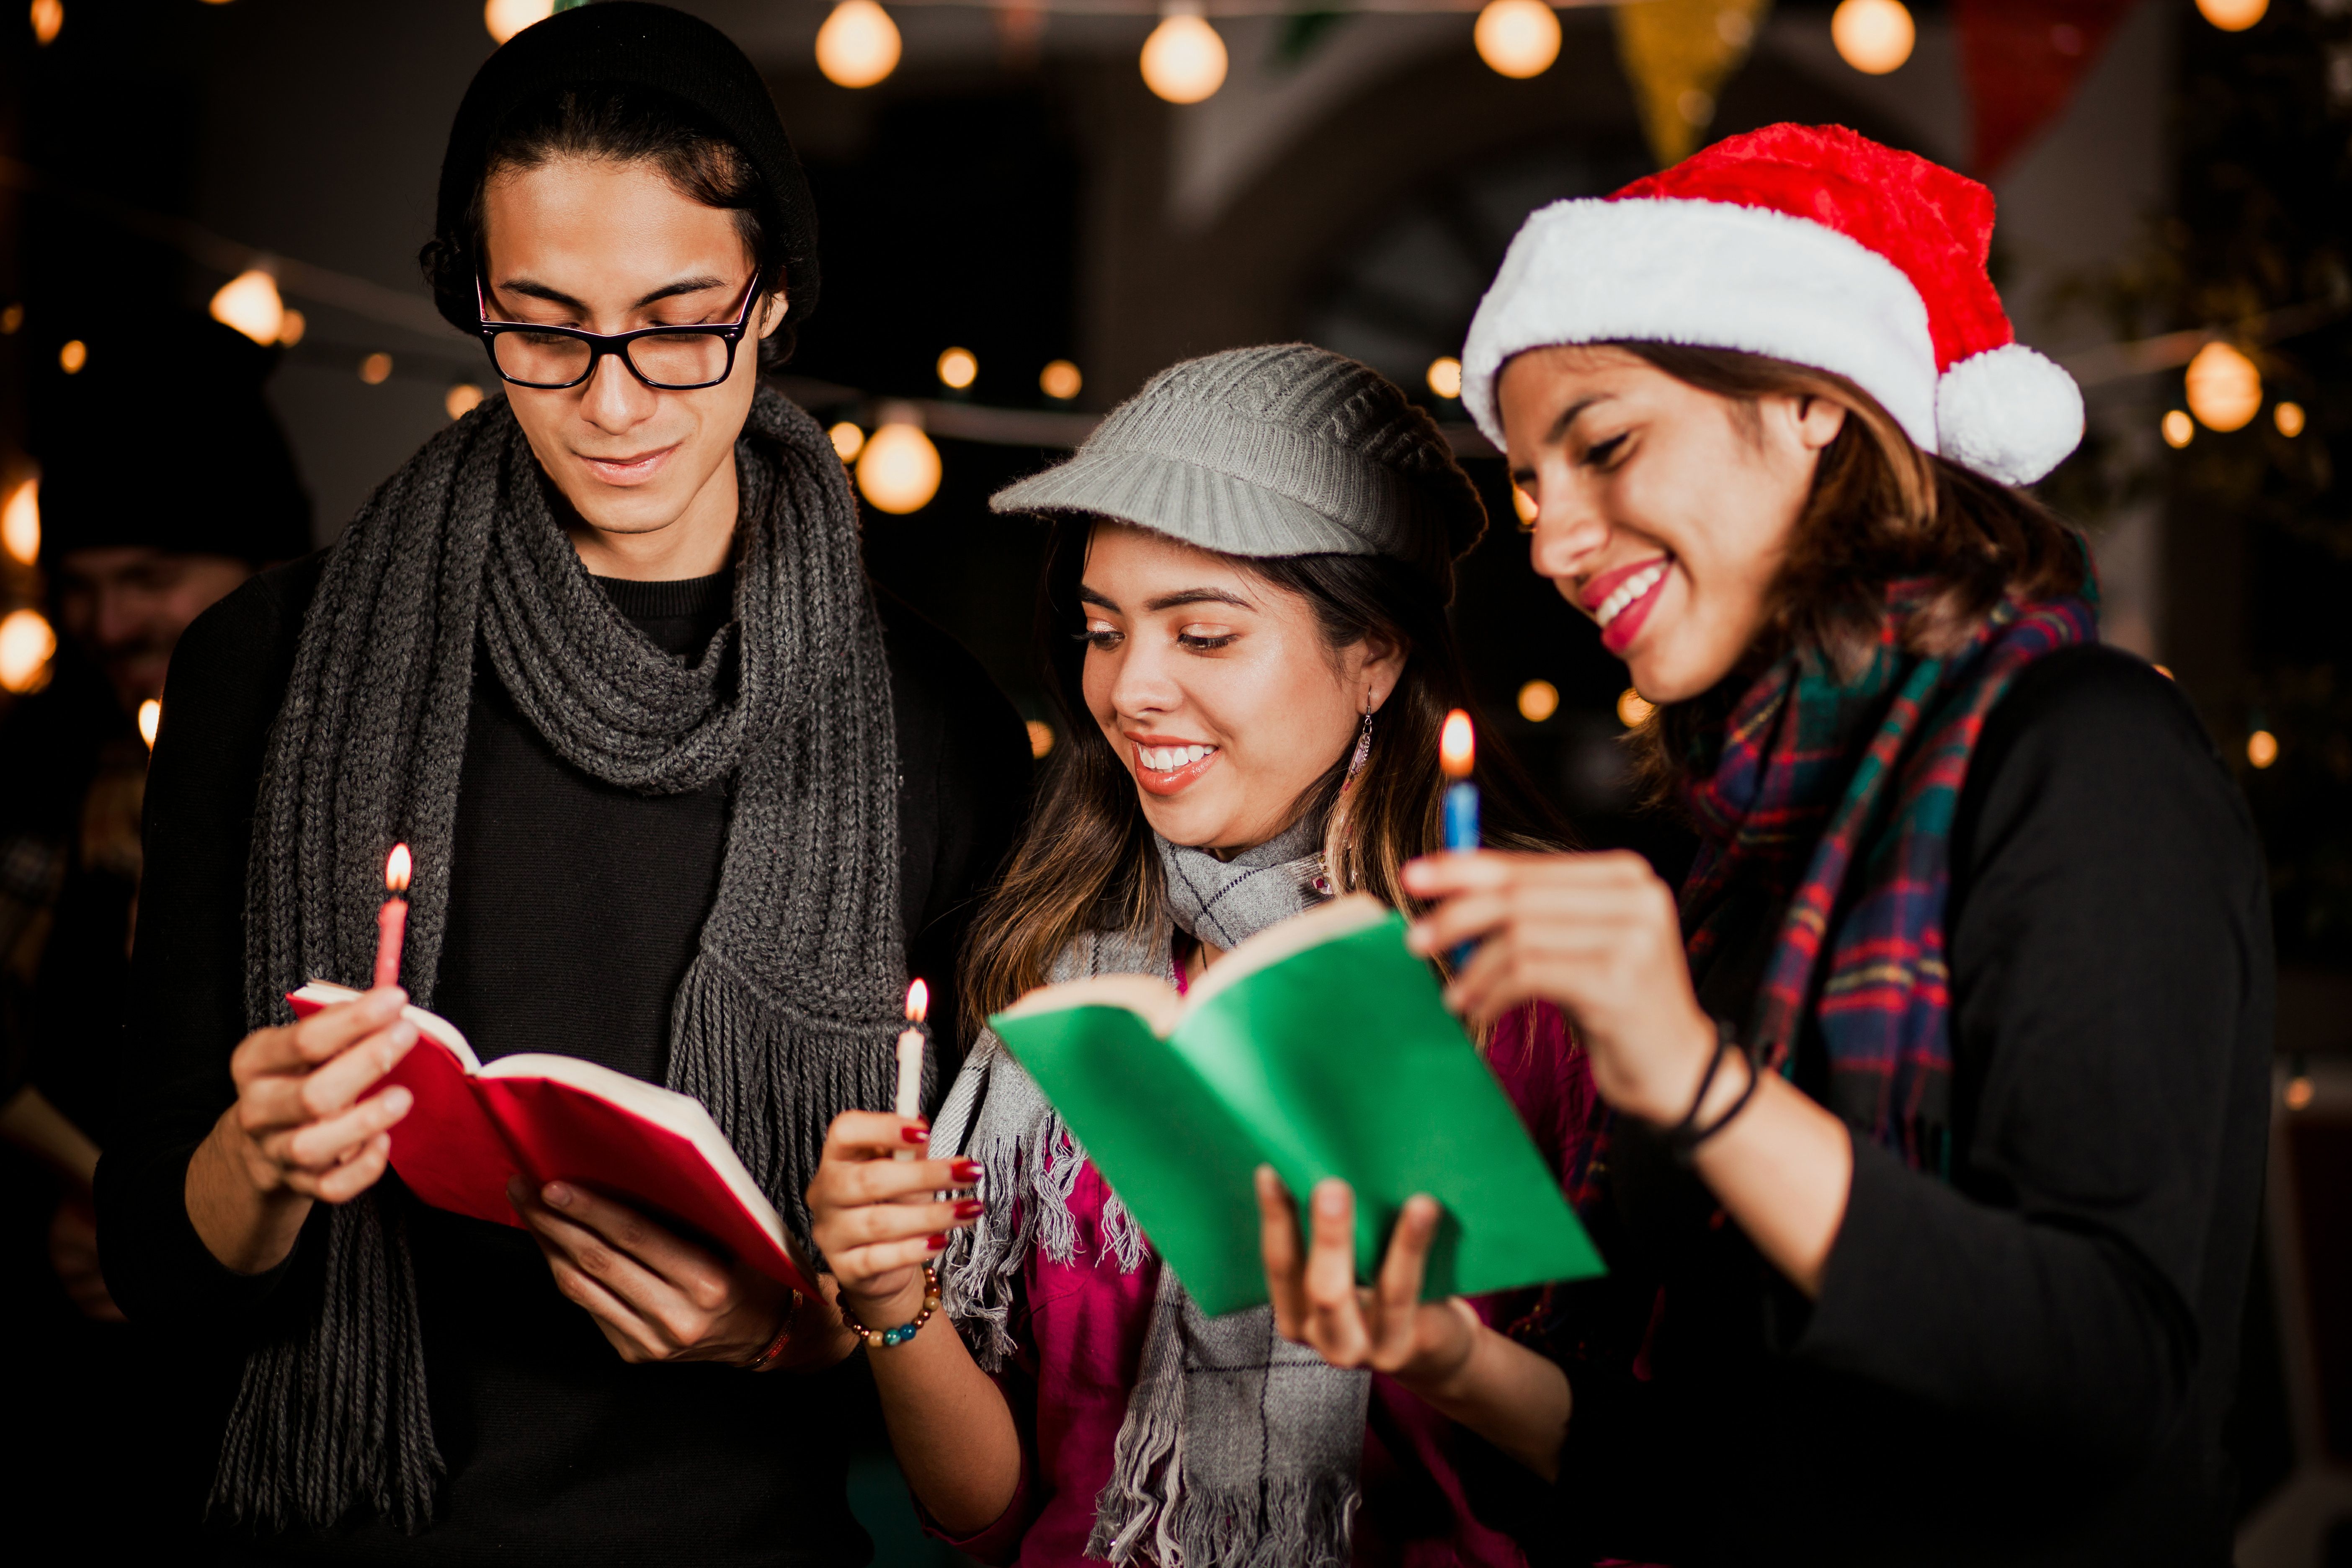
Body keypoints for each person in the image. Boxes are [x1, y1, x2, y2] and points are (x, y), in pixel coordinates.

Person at [1255, 124, 2274, 1567]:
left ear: (1812, 403)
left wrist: (1696, 1080)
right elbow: (1726, 1479)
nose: (1550, 544)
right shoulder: (1735, 853)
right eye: (1535, 483)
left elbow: (2112, 1380)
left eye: (1604, 445)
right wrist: (1444, 1358)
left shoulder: (2086, 754)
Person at [94, 5, 1030, 1560]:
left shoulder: (929, 721)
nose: (613, 401)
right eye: (543, 325)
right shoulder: (264, 662)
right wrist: (253, 1166)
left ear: (775, 296)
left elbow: (1000, 1348)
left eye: (678, 323)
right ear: (475, 304)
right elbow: (148, 1264)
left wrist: (795, 1327)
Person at [803, 343, 1602, 1567]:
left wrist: (1437, 1347)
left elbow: (1634, 1477)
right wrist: (891, 1305)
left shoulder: (1533, 987)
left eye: (1207, 636)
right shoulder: (1065, 980)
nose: (1132, 689)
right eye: (1103, 630)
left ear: (1374, 655)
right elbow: (988, 1516)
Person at [0, 309, 312, 1551]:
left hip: (252, 1381)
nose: (107, 624)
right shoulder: (35, 769)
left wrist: (169, 1237)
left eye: (148, 580)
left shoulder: (318, 770)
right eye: (80, 588)